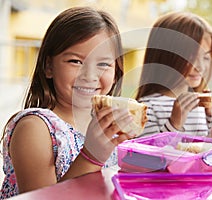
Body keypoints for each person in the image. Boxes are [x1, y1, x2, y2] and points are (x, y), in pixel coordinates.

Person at [0, 7, 134, 199]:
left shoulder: (107, 127)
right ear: (49, 67)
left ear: (116, 72)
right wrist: (92, 156)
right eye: (75, 61)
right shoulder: (35, 128)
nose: (89, 75)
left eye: (103, 64)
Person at [136, 11, 212, 137]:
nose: (200, 67)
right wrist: (174, 123)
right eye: (190, 56)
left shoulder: (200, 108)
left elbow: (211, 148)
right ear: (166, 56)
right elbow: (148, 155)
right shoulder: (147, 108)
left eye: (205, 57)